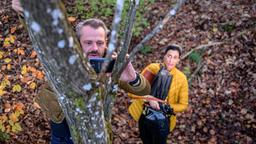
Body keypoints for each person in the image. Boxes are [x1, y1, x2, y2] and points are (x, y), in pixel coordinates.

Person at [11, 0, 151, 143]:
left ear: (106, 42)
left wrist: (132, 78)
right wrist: (24, 13)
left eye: (100, 43)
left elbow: (144, 90)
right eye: (88, 42)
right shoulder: (65, 55)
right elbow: (41, 34)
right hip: (60, 133)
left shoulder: (110, 64)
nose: (95, 48)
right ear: (78, 42)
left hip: (91, 136)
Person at [128, 44, 189, 144]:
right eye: (169, 56)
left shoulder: (181, 78)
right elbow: (132, 92)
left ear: (178, 60)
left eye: (175, 57)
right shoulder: (153, 68)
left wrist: (167, 107)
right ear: (164, 56)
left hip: (163, 121)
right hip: (144, 116)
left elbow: (183, 105)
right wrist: (149, 98)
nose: (171, 60)